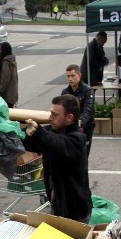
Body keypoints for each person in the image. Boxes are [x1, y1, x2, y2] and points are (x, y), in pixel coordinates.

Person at [22, 95, 92, 223]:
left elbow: (57, 144)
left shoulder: (77, 140)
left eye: (55, 115)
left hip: (75, 212)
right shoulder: (52, 132)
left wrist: (38, 132)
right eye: (50, 113)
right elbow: (32, 142)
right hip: (59, 205)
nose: (50, 118)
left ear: (69, 118)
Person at [61, 64, 95, 154]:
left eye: (72, 76)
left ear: (79, 75)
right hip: (69, 128)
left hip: (85, 127)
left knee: (84, 153)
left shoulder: (88, 90)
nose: (70, 79)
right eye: (68, 76)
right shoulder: (65, 92)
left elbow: (88, 108)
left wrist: (80, 123)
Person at [0, 42, 19, 108]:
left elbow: (5, 79)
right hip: (12, 93)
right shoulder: (12, 60)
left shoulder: (6, 62)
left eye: (0, 50)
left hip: (7, 95)